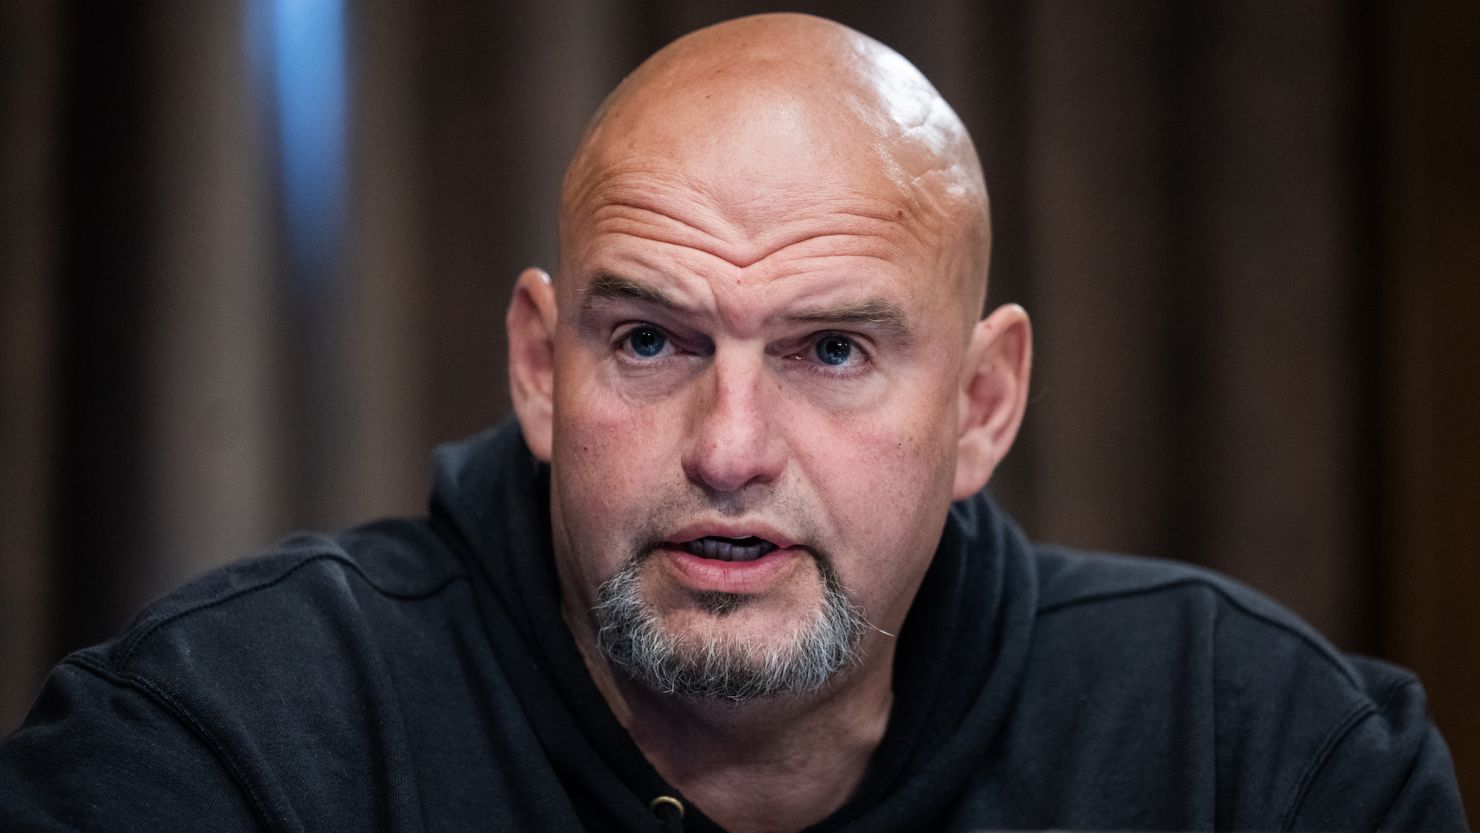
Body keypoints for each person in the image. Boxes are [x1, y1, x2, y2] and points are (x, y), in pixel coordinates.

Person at [1, 13, 1467, 832]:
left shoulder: (1267, 761)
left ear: (981, 404)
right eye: (650, 339)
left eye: (831, 349)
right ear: (536, 370)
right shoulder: (221, 743)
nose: (729, 446)